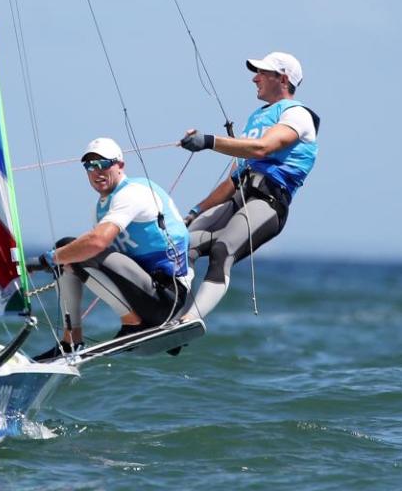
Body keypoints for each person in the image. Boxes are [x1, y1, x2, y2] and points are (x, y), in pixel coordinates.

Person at [178, 51, 319, 321]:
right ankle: (169, 316)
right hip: (238, 197)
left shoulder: (298, 115)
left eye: (262, 73)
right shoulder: (257, 117)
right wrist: (195, 212)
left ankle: (189, 321)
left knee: (222, 251)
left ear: (283, 78)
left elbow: (264, 148)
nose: (255, 78)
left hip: (267, 203)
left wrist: (208, 141)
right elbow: (232, 180)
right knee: (181, 244)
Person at [32, 137, 191, 361]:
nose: (96, 172)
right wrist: (57, 259)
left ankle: (133, 324)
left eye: (103, 164)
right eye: (89, 167)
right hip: (144, 292)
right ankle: (71, 341)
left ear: (120, 166)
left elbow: (96, 243)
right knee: (68, 253)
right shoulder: (102, 207)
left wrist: (46, 259)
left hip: (168, 296)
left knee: (72, 249)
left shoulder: (133, 192)